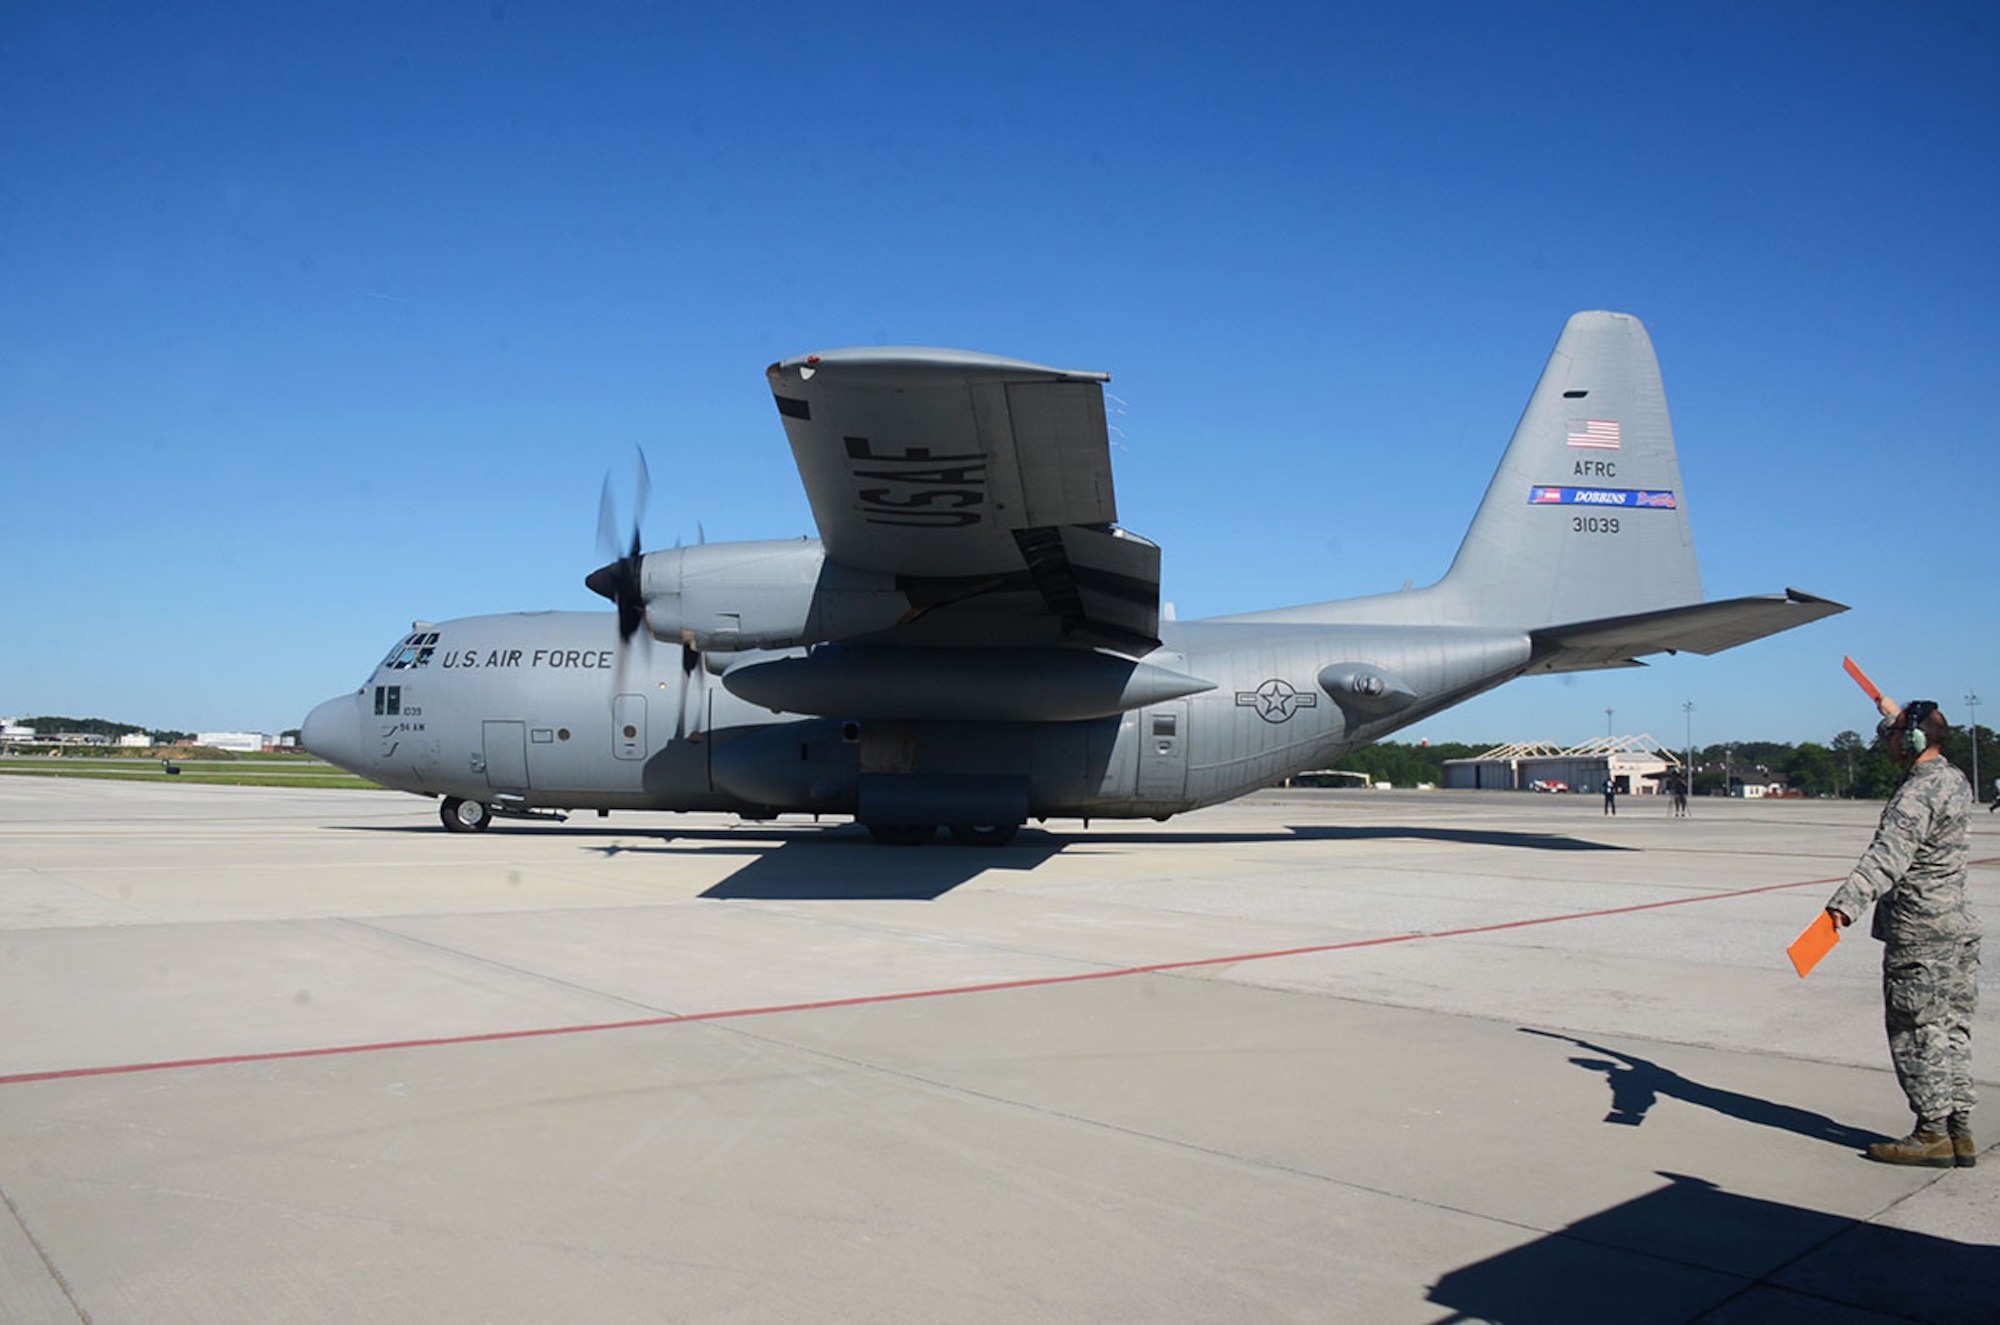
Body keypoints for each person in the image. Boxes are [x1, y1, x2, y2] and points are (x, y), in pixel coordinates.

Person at [1826, 694, 1979, 1167]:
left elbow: (1887, 857)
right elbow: (1909, 738)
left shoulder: (1915, 795)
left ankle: (1930, 1133)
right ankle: (1959, 1129)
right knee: (1951, 1028)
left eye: (1895, 735)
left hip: (1920, 933)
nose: (1889, 742)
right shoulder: (1953, 779)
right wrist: (1889, 716)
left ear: (1910, 740)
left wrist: (1845, 905)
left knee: (1916, 1031)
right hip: (1956, 927)